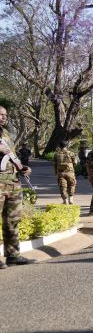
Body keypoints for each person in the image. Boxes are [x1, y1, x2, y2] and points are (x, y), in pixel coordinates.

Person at [0, 106, 35, 268]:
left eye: (5, 115)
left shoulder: (6, 135)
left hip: (13, 182)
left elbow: (11, 157)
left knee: (13, 220)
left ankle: (13, 255)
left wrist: (22, 168)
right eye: (0, 114)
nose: (3, 117)